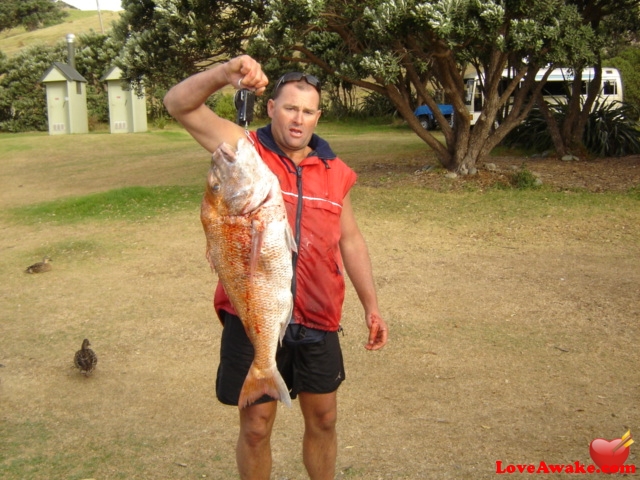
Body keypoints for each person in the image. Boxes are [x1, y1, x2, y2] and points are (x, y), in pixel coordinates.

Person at [164, 55, 388, 480]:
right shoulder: (244, 149)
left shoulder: (335, 171)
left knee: (323, 419)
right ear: (270, 108)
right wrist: (224, 74)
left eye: (307, 111)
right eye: (289, 108)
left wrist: (371, 305)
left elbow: (350, 240)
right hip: (254, 316)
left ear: (318, 115)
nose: (298, 119)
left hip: (319, 314)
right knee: (255, 427)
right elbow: (178, 104)